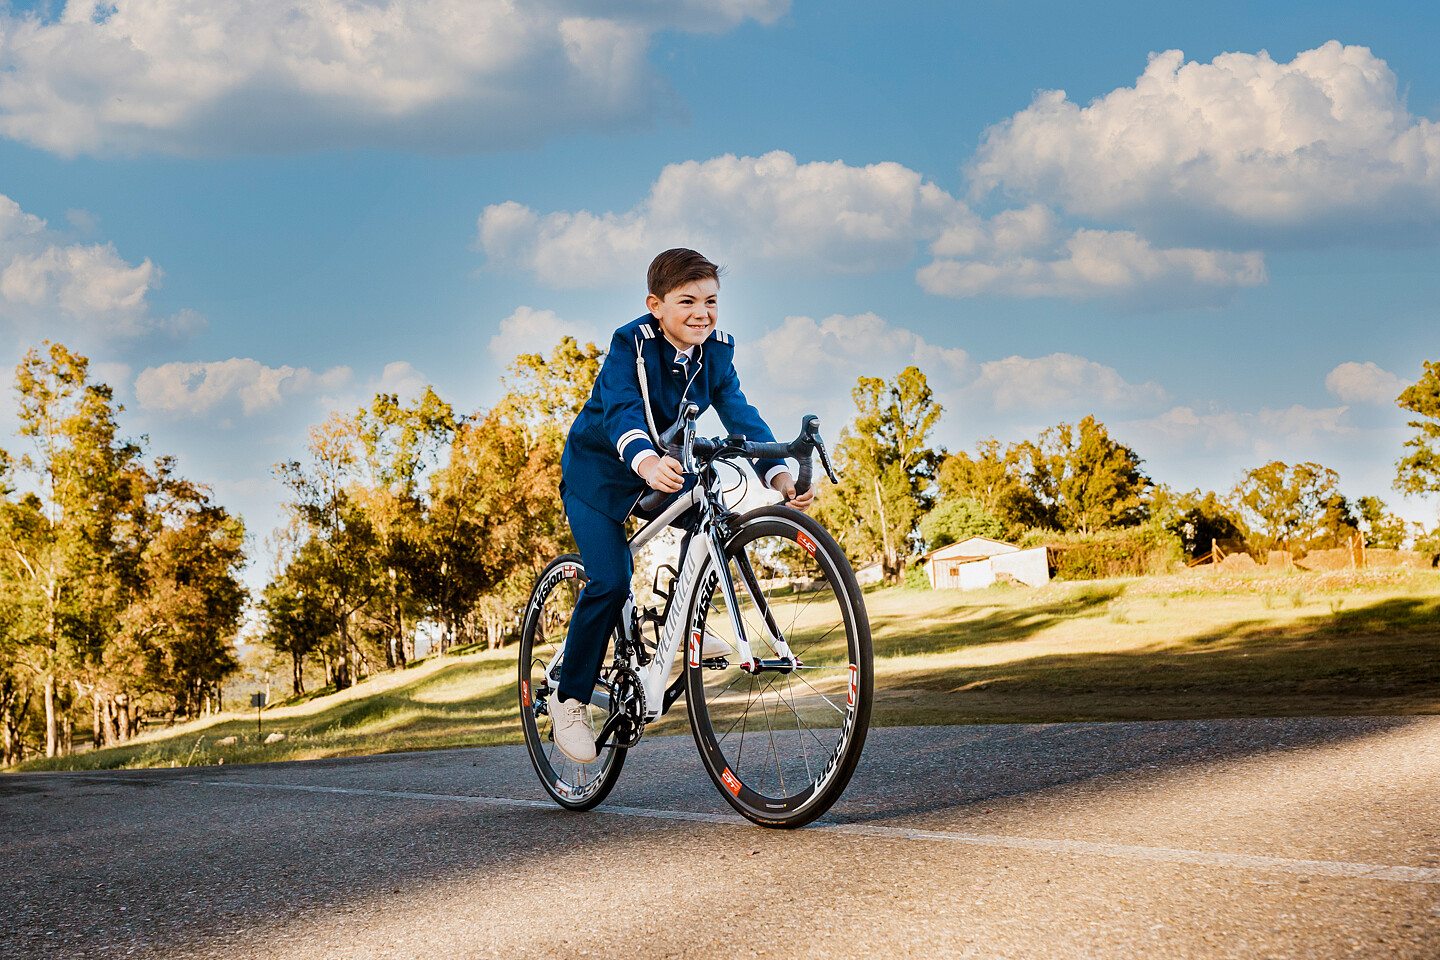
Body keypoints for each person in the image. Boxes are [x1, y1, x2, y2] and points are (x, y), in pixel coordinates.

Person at [550, 248, 813, 763]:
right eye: (687, 301)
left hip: (664, 469)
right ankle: (570, 699)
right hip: (600, 475)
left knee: (714, 513)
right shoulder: (630, 344)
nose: (702, 312)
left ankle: (687, 627)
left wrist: (779, 473)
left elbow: (741, 415)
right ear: (656, 305)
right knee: (610, 578)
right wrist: (646, 462)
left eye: (711, 301)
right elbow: (622, 411)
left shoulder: (716, 352)